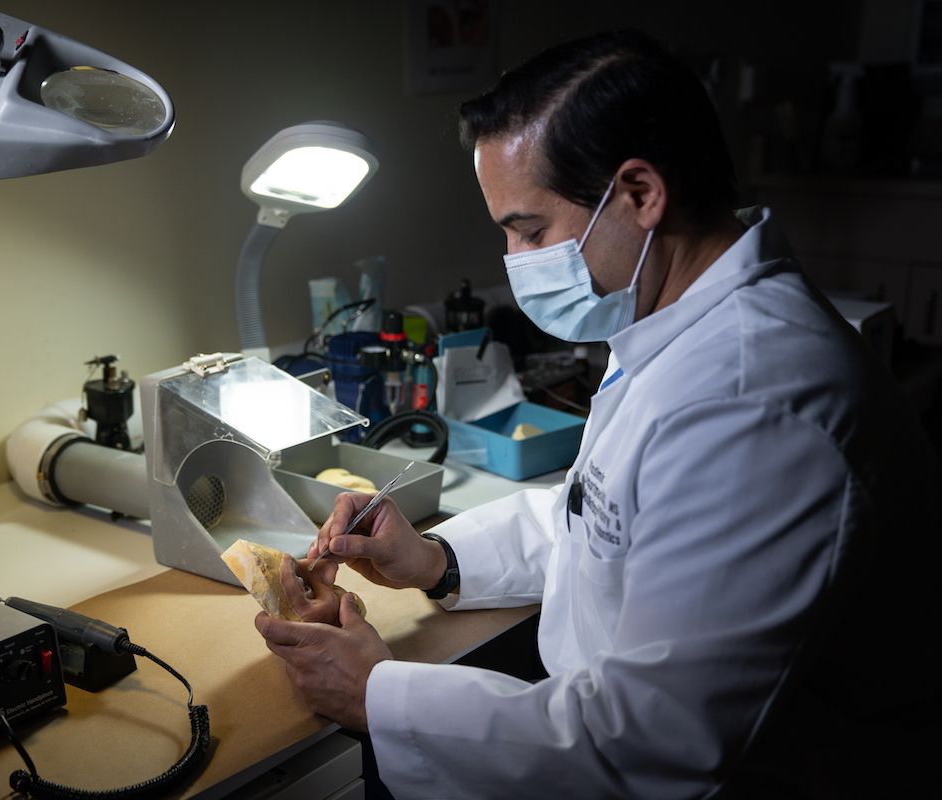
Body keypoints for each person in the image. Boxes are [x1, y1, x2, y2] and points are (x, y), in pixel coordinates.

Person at [256, 29, 940, 799]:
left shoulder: (757, 403)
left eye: (529, 230)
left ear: (641, 194)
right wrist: (435, 560)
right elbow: (604, 519)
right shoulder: (674, 321)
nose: (516, 260)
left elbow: (651, 742)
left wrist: (376, 693)